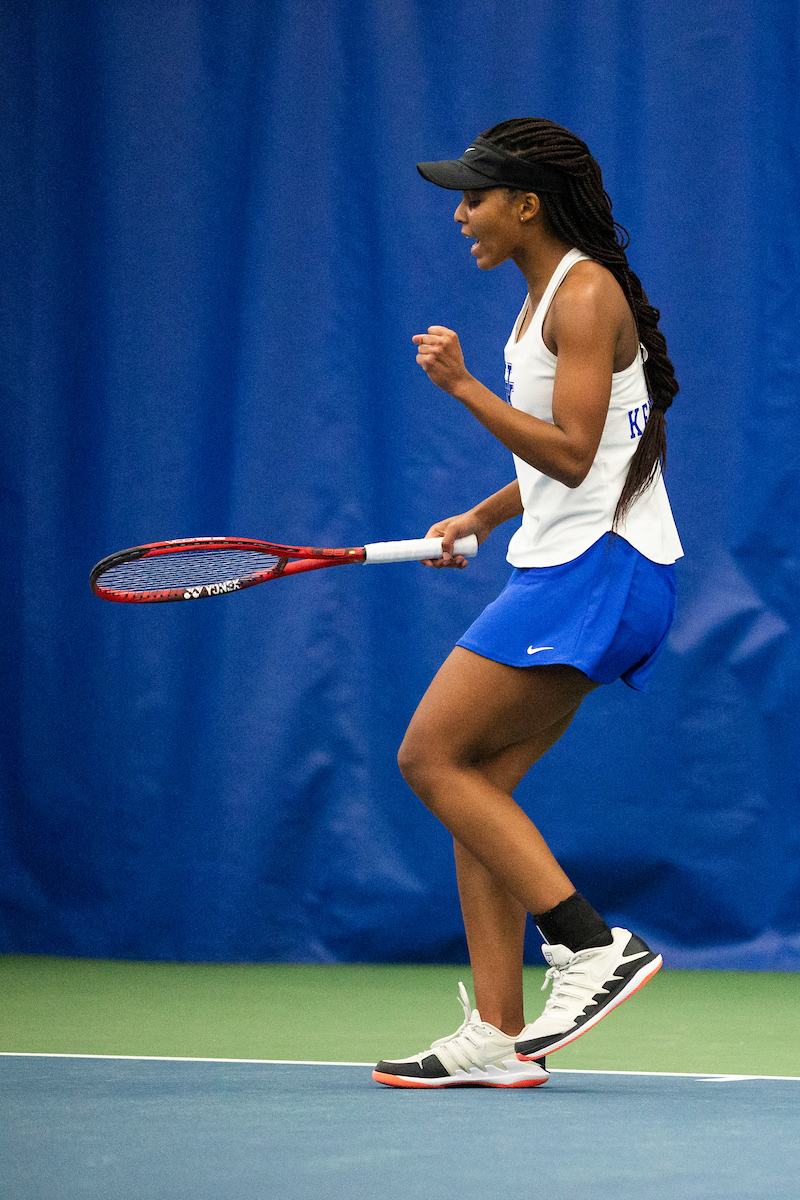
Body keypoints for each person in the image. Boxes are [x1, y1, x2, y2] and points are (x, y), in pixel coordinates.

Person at [372, 118, 683, 1089]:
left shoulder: (581, 292)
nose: (459, 214)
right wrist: (482, 514)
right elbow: (563, 456)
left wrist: (461, 385)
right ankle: (497, 1037)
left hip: (598, 571)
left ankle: (590, 946)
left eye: (472, 196)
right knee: (474, 786)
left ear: (524, 204)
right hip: (573, 564)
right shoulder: (544, 298)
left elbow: (575, 452)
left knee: (426, 754)